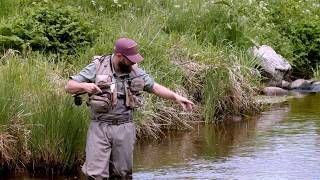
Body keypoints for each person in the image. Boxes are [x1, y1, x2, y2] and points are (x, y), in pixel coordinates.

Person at [65, 37, 194, 179]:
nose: (134, 62)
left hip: (125, 127)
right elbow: (69, 86)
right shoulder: (98, 66)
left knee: (122, 174)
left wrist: (175, 96)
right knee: (96, 175)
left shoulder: (135, 70)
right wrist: (84, 86)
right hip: (100, 127)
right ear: (119, 55)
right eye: (130, 59)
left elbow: (154, 87)